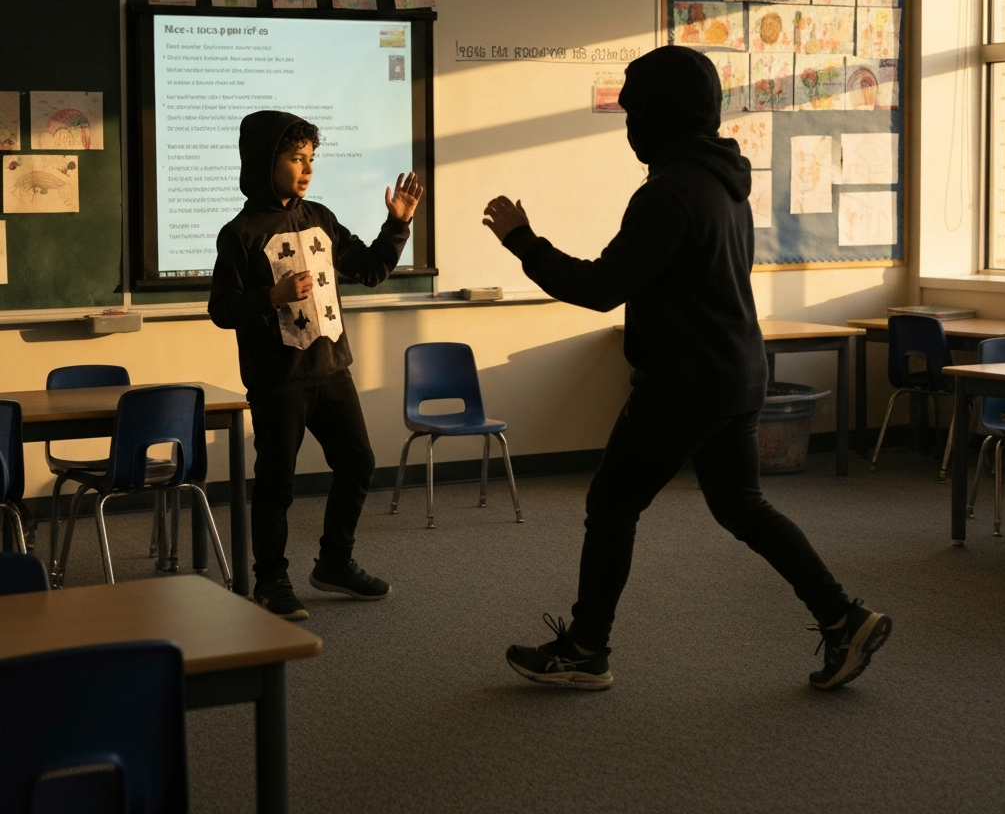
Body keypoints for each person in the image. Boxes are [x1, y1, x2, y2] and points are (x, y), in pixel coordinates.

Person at [483, 46, 891, 691]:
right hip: (735, 371)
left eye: (633, 106)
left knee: (612, 505)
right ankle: (842, 616)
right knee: (741, 506)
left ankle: (587, 651)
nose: (627, 121)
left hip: (684, 382)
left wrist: (522, 240)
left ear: (656, 113)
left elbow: (600, 286)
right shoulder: (722, 179)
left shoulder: (670, 191)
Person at [210, 110, 423, 620]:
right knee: (277, 483)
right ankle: (271, 580)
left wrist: (398, 224)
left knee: (359, 463)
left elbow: (370, 270)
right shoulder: (239, 233)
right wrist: (271, 295)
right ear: (265, 161)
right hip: (279, 383)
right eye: (294, 158)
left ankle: (334, 562)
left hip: (332, 370)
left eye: (311, 159)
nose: (305, 169)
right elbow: (222, 309)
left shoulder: (320, 218)